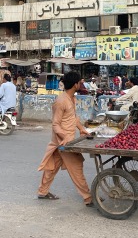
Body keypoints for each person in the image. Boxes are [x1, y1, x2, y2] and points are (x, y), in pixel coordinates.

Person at [37, 71, 93, 206]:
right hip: (65, 143)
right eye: (80, 82)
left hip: (64, 141)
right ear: (75, 84)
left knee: (52, 167)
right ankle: (88, 198)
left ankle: (42, 192)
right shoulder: (61, 101)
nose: (81, 84)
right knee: (76, 167)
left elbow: (73, 119)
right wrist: (65, 138)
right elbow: (55, 124)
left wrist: (81, 129)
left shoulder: (72, 98)